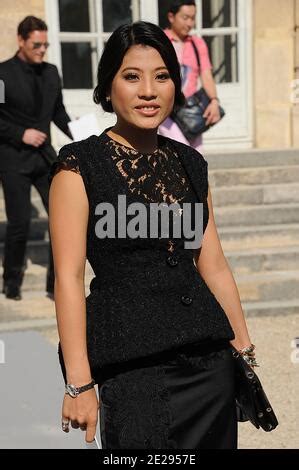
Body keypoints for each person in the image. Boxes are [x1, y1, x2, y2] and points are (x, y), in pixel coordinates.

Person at [48, 21, 257, 449]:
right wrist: (79, 383)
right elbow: (67, 278)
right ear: (108, 88)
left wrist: (244, 350)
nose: (148, 90)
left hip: (208, 366)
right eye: (132, 76)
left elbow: (212, 263)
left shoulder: (190, 164)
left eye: (162, 76)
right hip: (131, 370)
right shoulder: (78, 166)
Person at [0, 16, 72, 300]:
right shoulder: (2, 74)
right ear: (21, 41)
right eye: (36, 44)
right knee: (19, 224)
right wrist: (21, 134)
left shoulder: (52, 72)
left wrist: (84, 132)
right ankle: (12, 281)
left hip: (45, 159)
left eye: (45, 44)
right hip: (12, 158)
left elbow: (59, 113)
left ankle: (55, 283)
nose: (42, 50)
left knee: (61, 221)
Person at [158, 0, 221, 151]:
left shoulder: (198, 44)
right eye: (185, 18)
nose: (190, 23)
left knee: (196, 157)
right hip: (167, 112)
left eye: (193, 18)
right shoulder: (160, 41)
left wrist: (214, 101)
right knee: (180, 152)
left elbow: (206, 74)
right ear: (171, 17)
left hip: (190, 111)